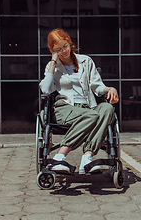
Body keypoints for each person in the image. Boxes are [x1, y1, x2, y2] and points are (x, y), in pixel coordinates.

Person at [39, 28, 119, 174]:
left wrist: (109, 89)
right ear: (53, 50)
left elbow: (96, 86)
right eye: (58, 49)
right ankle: (59, 157)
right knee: (92, 115)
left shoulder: (85, 61)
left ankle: (87, 158)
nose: (64, 51)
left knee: (107, 109)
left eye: (65, 46)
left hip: (88, 107)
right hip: (65, 107)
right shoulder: (53, 67)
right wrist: (52, 62)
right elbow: (45, 90)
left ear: (69, 43)